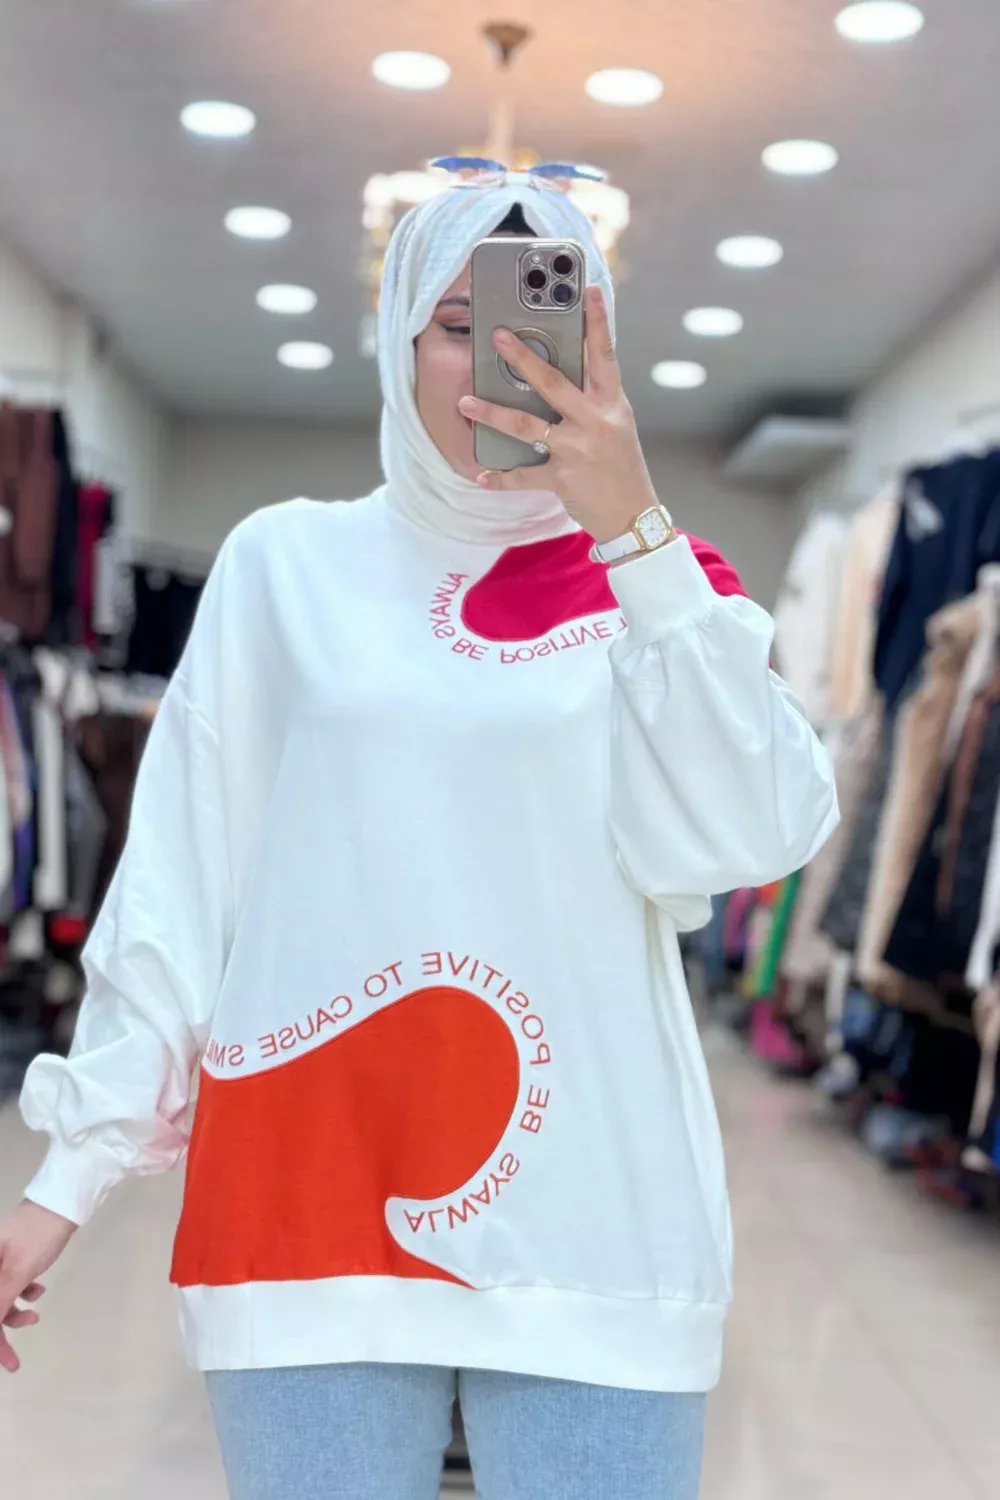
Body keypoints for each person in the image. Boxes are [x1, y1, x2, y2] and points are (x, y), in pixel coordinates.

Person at [0, 175, 837, 1499]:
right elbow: (180, 886)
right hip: (305, 1206)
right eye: (457, 323)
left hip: (595, 1223)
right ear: (397, 341)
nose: (500, 357)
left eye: (546, 323)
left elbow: (758, 831)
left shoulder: (665, 588)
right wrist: (66, 1177)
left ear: (601, 349)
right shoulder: (284, 567)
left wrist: (634, 527)